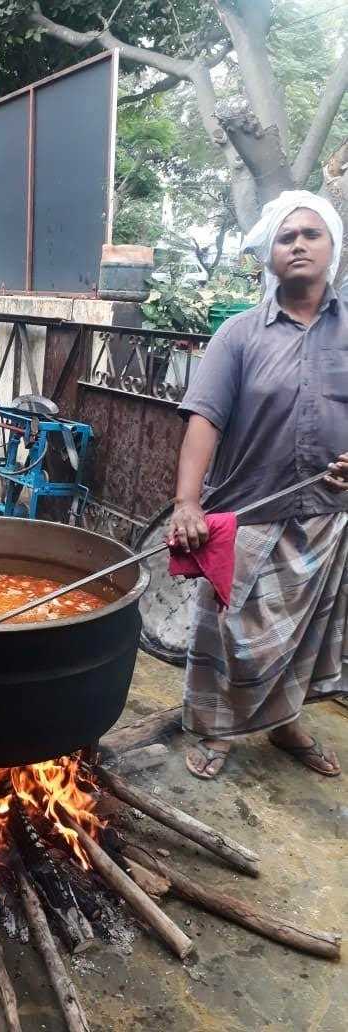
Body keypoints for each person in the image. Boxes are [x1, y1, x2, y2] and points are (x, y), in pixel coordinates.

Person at [170, 190, 348, 779]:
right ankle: (216, 730)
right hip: (246, 514)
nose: (298, 244)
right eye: (285, 237)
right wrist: (187, 502)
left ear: (333, 247)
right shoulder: (241, 335)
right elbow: (204, 420)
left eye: (310, 234)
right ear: (269, 256)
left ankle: (287, 724)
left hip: (326, 514)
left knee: (304, 636)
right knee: (227, 634)